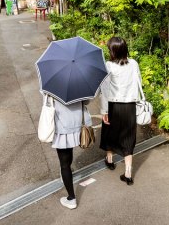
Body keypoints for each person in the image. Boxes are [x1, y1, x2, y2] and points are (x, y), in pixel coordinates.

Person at [99, 36, 142, 185]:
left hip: (113, 106)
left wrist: (104, 111)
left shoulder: (108, 66)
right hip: (130, 105)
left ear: (113, 51)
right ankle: (128, 172)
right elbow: (138, 83)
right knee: (129, 137)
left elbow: (105, 91)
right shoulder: (134, 63)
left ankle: (109, 160)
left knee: (110, 133)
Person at [49, 96, 92, 209]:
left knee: (64, 165)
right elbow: (86, 101)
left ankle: (71, 198)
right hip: (77, 124)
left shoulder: (52, 83)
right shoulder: (79, 79)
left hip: (61, 125)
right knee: (70, 151)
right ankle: (67, 175)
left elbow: (47, 102)